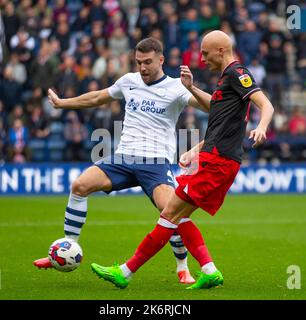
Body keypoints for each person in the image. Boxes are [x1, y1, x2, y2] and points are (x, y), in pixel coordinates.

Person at [91, 30, 274, 289]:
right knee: (175, 215)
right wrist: (196, 147)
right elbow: (223, 125)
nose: (201, 58)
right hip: (215, 158)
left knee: (170, 214)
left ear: (221, 50)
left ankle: (126, 272)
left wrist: (262, 126)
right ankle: (207, 269)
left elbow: (266, 104)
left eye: (205, 52)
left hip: (218, 163)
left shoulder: (237, 73)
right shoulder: (226, 80)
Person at [33, 38, 212, 284]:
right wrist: (64, 103)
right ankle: (67, 248)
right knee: (79, 186)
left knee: (171, 211)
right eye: (139, 62)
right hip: (123, 158)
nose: (143, 67)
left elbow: (213, 107)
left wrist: (191, 88)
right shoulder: (129, 81)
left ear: (161, 60)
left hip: (155, 163)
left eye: (148, 62)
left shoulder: (176, 87)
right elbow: (97, 98)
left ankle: (183, 267)